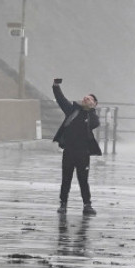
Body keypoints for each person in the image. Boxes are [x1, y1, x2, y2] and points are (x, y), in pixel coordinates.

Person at [52, 78, 101, 215]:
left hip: (83, 153)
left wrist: (91, 109)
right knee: (66, 179)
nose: (87, 99)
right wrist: (56, 86)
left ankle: (87, 205)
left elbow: (95, 124)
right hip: (69, 151)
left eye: (91, 99)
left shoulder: (91, 115)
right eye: (86, 97)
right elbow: (61, 99)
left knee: (83, 180)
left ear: (95, 104)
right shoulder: (72, 110)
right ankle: (63, 204)